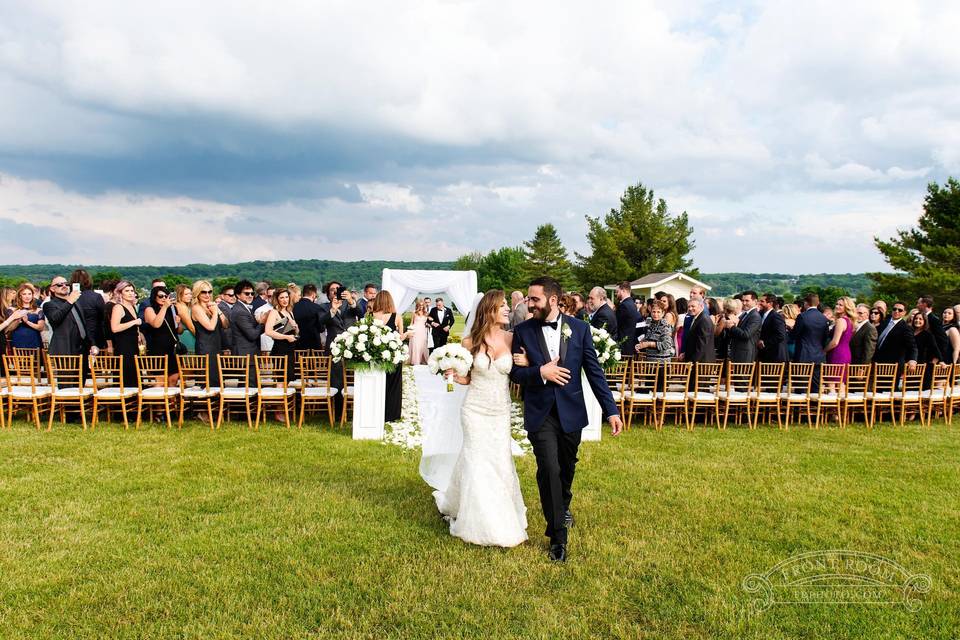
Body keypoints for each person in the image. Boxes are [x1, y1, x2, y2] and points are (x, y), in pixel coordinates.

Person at [509, 277, 622, 562]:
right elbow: (514, 373)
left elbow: (594, 373)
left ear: (554, 300)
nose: (529, 304)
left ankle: (564, 504)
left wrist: (611, 410)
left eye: (534, 299)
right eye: (529, 299)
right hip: (540, 413)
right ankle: (558, 537)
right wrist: (539, 373)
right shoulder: (522, 331)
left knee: (566, 467)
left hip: (571, 412)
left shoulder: (581, 329)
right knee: (548, 468)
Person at [432, 290, 528, 548]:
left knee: (499, 460)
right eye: (503, 305)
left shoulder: (513, 338)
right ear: (489, 310)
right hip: (474, 410)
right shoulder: (469, 342)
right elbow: (468, 378)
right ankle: (478, 520)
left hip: (500, 412)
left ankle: (499, 511)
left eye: (508, 304)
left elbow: (521, 371)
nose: (508, 309)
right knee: (476, 460)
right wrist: (451, 374)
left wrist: (527, 361)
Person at [319, 281, 364, 415]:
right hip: (334, 348)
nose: (335, 292)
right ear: (328, 294)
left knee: (352, 377)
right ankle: (338, 412)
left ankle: (353, 409)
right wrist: (333, 309)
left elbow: (361, 313)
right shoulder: (323, 307)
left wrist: (351, 300)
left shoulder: (349, 304)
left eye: (338, 289)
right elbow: (321, 323)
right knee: (336, 380)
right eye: (332, 290)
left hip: (352, 347)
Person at [368, 291, 407, 422]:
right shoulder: (397, 317)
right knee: (394, 385)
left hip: (375, 356)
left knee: (377, 383)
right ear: (390, 301)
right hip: (393, 356)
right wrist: (407, 335)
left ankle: (376, 411)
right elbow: (400, 339)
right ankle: (391, 414)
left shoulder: (370, 315)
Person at [43, 276, 90, 360]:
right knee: (68, 373)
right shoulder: (49, 304)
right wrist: (69, 301)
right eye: (59, 285)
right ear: (52, 289)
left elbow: (84, 324)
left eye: (67, 284)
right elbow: (55, 318)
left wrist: (92, 343)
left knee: (84, 373)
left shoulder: (76, 302)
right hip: (65, 349)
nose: (64, 286)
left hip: (83, 348)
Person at [143, 286, 181, 387]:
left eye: (166, 296)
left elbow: (179, 331)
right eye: (161, 296)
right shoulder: (149, 309)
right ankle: (158, 402)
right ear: (154, 297)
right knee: (161, 382)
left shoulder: (173, 309)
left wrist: (179, 322)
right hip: (158, 349)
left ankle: (171, 402)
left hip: (172, 349)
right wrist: (164, 307)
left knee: (173, 379)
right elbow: (156, 324)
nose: (164, 298)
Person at [192, 280, 228, 384]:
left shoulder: (211, 307)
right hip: (205, 348)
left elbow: (226, 324)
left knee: (218, 380)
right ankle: (208, 400)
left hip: (216, 347)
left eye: (210, 292)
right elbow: (211, 327)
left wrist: (218, 310)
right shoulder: (196, 308)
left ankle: (218, 400)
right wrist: (215, 312)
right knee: (208, 380)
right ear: (197, 293)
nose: (207, 295)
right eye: (203, 292)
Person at [110, 281, 143, 388]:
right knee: (126, 377)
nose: (130, 293)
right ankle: (123, 403)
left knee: (135, 376)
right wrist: (134, 322)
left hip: (134, 346)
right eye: (127, 291)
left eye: (132, 291)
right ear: (120, 293)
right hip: (123, 347)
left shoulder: (132, 306)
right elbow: (114, 328)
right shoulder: (118, 307)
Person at [873, 301, 918, 380]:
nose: (896, 311)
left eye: (900, 310)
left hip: (893, 365)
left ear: (904, 313)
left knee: (888, 390)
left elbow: (912, 346)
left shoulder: (906, 328)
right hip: (877, 360)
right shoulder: (884, 321)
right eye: (895, 309)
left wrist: (913, 360)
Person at [265, 288, 300, 383]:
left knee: (289, 379)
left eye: (286, 297)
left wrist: (295, 327)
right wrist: (286, 337)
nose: (285, 300)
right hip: (280, 350)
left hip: (291, 349)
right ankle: (280, 397)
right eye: (282, 298)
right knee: (281, 379)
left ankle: (287, 397)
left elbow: (294, 331)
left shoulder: (290, 312)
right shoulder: (274, 312)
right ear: (277, 299)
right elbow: (268, 331)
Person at [229, 280, 264, 371]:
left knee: (250, 383)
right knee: (250, 384)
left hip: (248, 354)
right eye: (247, 293)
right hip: (245, 355)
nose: (250, 296)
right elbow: (252, 335)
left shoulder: (244, 308)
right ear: (237, 295)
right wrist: (262, 322)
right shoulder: (240, 311)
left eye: (252, 294)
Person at [824, 296, 856, 393]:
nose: (837, 306)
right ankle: (841, 406)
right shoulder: (850, 321)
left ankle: (832, 405)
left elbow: (835, 342)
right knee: (841, 382)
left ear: (846, 307)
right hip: (846, 353)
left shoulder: (841, 321)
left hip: (837, 353)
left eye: (841, 305)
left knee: (832, 383)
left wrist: (824, 350)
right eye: (837, 304)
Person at [5, 283, 45, 349]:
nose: (27, 296)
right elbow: (9, 329)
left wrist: (27, 322)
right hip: (18, 340)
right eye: (24, 294)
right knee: (18, 359)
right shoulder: (12, 309)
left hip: (35, 340)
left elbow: (41, 328)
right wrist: (18, 319)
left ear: (32, 295)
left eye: (29, 294)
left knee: (36, 358)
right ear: (20, 296)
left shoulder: (38, 310)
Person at [725, 290, 761, 363]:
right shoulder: (745, 314)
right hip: (737, 352)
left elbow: (746, 334)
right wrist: (730, 327)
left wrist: (732, 327)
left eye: (747, 301)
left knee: (742, 374)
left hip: (745, 354)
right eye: (743, 300)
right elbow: (738, 331)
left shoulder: (755, 316)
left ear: (755, 301)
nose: (744, 303)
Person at [917, 295, 950, 364]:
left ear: (924, 304)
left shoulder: (934, 320)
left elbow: (943, 340)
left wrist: (937, 358)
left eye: (918, 303)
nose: (917, 305)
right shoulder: (920, 317)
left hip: (930, 359)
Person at [912, 312, 941, 389]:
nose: (917, 320)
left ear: (925, 321)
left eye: (920, 319)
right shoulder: (910, 332)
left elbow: (935, 349)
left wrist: (936, 360)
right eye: (916, 318)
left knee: (921, 389)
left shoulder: (928, 334)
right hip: (911, 365)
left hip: (923, 366)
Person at [683, 297, 716, 364]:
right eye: (689, 306)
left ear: (701, 306)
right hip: (697, 361)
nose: (690, 308)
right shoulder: (697, 317)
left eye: (693, 306)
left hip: (701, 363)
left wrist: (692, 361)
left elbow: (702, 345)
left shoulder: (704, 320)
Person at [292, 284, 325, 351]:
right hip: (314, 345)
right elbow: (321, 328)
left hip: (297, 343)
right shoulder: (317, 308)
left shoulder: (293, 307)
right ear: (313, 294)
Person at [758, 293, 788, 363]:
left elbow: (781, 335)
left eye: (762, 301)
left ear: (770, 303)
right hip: (764, 354)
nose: (759, 303)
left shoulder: (776, 316)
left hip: (775, 355)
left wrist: (764, 342)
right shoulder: (760, 314)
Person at [614, 282, 641, 357]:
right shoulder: (632, 304)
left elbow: (617, 324)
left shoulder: (624, 305)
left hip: (623, 344)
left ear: (624, 291)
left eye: (617, 291)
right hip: (629, 343)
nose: (616, 294)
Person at [174, 285, 197, 354]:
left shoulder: (186, 305)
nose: (189, 296)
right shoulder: (181, 307)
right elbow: (191, 327)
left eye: (190, 294)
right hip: (187, 338)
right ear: (179, 295)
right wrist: (203, 339)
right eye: (186, 294)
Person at [408, 298, 430, 365]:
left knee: (423, 345)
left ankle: (423, 360)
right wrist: (409, 331)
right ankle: (415, 361)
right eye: (420, 305)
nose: (421, 306)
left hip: (423, 331)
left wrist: (429, 324)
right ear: (417, 305)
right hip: (415, 330)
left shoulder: (426, 313)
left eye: (422, 305)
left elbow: (428, 322)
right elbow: (411, 323)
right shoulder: (414, 312)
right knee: (416, 345)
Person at [218, 285, 236, 353]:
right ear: (222, 296)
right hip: (227, 344)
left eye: (235, 295)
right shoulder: (221, 307)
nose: (234, 297)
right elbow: (228, 325)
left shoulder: (233, 306)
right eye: (230, 295)